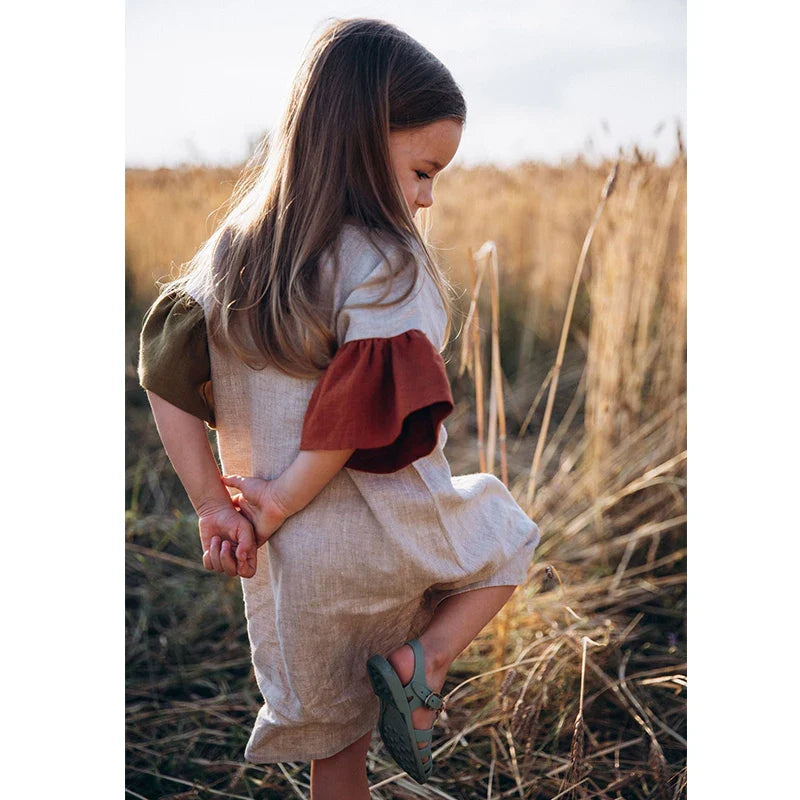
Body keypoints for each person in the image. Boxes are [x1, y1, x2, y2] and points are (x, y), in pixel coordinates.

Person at [138, 17, 540, 798]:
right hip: (387, 535)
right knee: (507, 536)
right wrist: (286, 497)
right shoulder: (388, 265)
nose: (427, 198)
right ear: (362, 137)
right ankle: (422, 662)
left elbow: (167, 379)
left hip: (294, 572)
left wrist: (213, 507)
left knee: (339, 754)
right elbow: (359, 407)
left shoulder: (231, 255)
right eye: (424, 171)